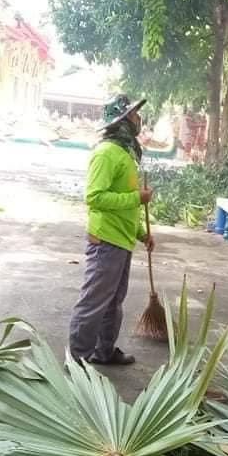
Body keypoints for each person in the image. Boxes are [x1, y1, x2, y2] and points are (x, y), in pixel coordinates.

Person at [69, 94, 154, 365]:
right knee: (94, 302)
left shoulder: (124, 153)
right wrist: (137, 198)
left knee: (113, 301)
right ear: (122, 120)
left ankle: (104, 351)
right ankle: (77, 360)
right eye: (134, 114)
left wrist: (141, 234)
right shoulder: (106, 153)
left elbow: (125, 201)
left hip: (122, 239)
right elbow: (95, 197)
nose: (139, 119)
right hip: (106, 240)